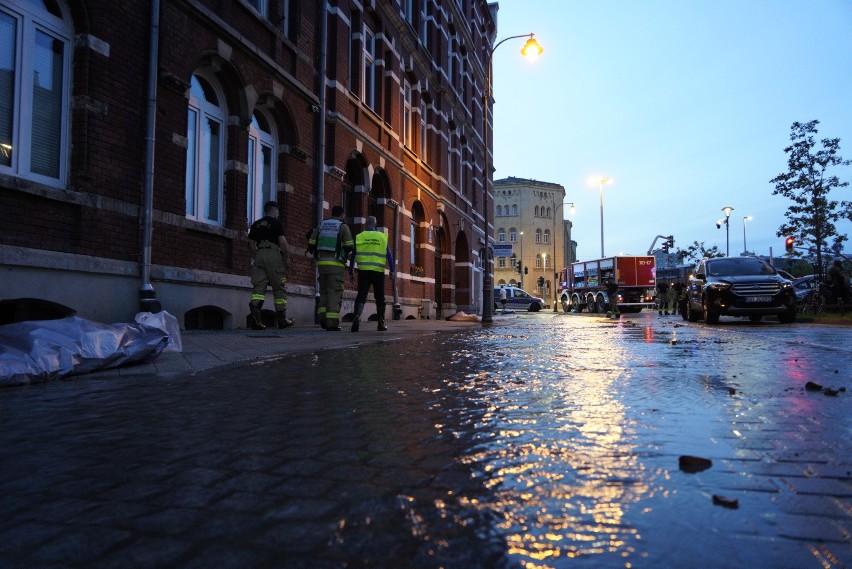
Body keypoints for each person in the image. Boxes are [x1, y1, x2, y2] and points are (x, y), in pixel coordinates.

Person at [247, 201, 293, 330]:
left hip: (259, 253)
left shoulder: (256, 224)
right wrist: (286, 257)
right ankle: (282, 319)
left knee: (258, 288)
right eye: (277, 212)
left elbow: (251, 243)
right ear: (274, 211)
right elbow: (282, 242)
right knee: (278, 287)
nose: (278, 214)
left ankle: (255, 316)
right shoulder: (277, 223)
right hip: (273, 254)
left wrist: (258, 254)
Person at [308, 206, 354, 331]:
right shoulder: (342, 226)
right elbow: (350, 245)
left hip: (322, 264)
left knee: (324, 292)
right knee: (334, 293)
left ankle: (322, 319)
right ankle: (332, 323)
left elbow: (311, 240)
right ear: (342, 215)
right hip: (335, 265)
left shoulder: (322, 224)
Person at [349, 216, 395, 332]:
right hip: (378, 272)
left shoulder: (360, 237)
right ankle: (381, 322)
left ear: (365, 224)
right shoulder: (382, 237)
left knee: (361, 296)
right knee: (380, 298)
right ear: (375, 224)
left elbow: (353, 255)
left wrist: (351, 271)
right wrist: (392, 270)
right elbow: (389, 255)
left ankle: (356, 316)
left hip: (363, 271)